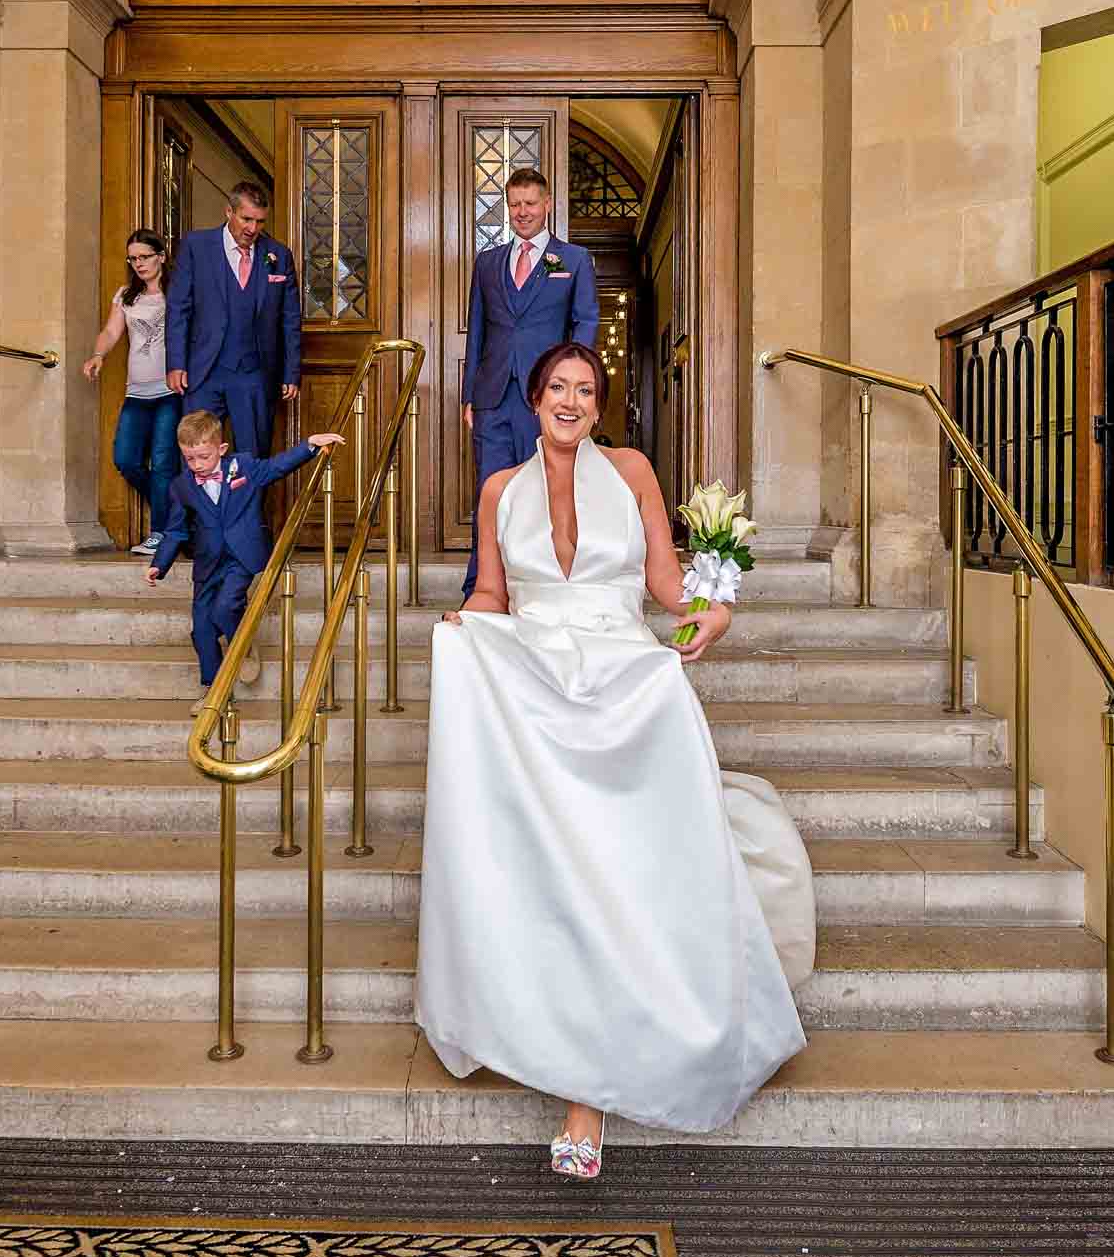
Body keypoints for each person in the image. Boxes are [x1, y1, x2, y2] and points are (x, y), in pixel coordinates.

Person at [416, 342, 815, 1179]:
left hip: (627, 687)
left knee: (629, 876)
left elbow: (667, 588)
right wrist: (465, 627)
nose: (571, 400)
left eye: (586, 390)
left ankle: (620, 1064)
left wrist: (717, 612)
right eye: (557, 388)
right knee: (558, 882)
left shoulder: (633, 470)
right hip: (534, 695)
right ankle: (577, 1089)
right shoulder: (498, 490)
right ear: (533, 401)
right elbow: (493, 593)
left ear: (600, 406)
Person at [461, 167, 599, 597]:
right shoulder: (488, 262)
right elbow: (478, 329)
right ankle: (480, 588)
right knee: (491, 491)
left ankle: (540, 587)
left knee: (543, 490)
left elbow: (585, 322)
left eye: (530, 204)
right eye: (515, 204)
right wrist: (470, 395)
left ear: (547, 205)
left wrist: (573, 391)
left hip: (546, 397)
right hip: (493, 395)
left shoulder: (572, 260)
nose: (522, 212)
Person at [146, 409, 344, 701]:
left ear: (221, 449)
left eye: (204, 457)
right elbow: (175, 530)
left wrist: (310, 445)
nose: (197, 465)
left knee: (225, 608)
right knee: (201, 630)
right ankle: (214, 691)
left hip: (242, 556)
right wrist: (158, 565)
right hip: (207, 562)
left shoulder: (244, 466)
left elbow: (277, 466)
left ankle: (244, 642)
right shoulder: (181, 486)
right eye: (190, 458)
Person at [165, 180, 300, 465]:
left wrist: (291, 372)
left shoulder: (279, 255)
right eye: (246, 219)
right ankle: (200, 512)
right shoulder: (195, 246)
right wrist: (176, 362)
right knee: (194, 455)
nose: (252, 229)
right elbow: (179, 308)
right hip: (204, 371)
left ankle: (247, 512)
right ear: (229, 211)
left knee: (252, 460)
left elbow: (289, 320)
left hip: (254, 374)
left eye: (260, 221)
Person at [83, 228, 179, 557]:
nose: (138, 264)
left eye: (144, 257)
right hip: (136, 394)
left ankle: (162, 533)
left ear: (161, 256)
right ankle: (175, 508)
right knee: (126, 459)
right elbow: (112, 330)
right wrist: (98, 355)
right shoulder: (126, 296)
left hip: (169, 392)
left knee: (165, 462)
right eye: (133, 258)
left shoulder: (177, 292)